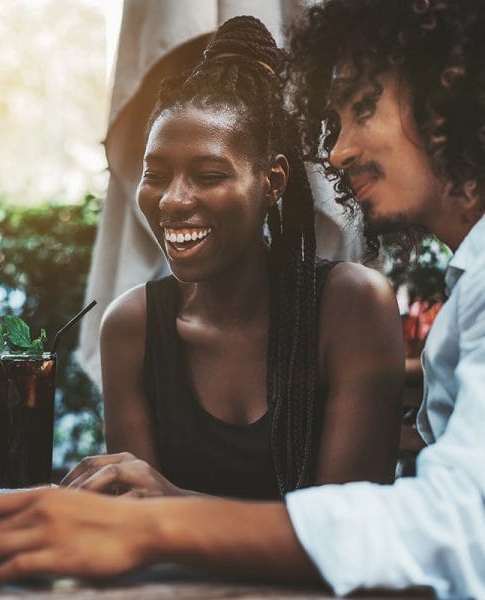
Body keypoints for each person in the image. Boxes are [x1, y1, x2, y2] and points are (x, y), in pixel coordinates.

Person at [0, 1, 485, 595]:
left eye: (363, 109)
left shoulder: (364, 302)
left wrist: (161, 521)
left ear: (444, 101)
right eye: (336, 120)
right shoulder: (468, 291)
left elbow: (449, 524)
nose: (337, 151)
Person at [60, 16, 403, 501]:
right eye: (155, 172)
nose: (172, 200)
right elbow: (137, 520)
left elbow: (350, 533)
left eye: (208, 174)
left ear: (273, 182)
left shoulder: (351, 306)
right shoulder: (132, 326)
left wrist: (171, 502)